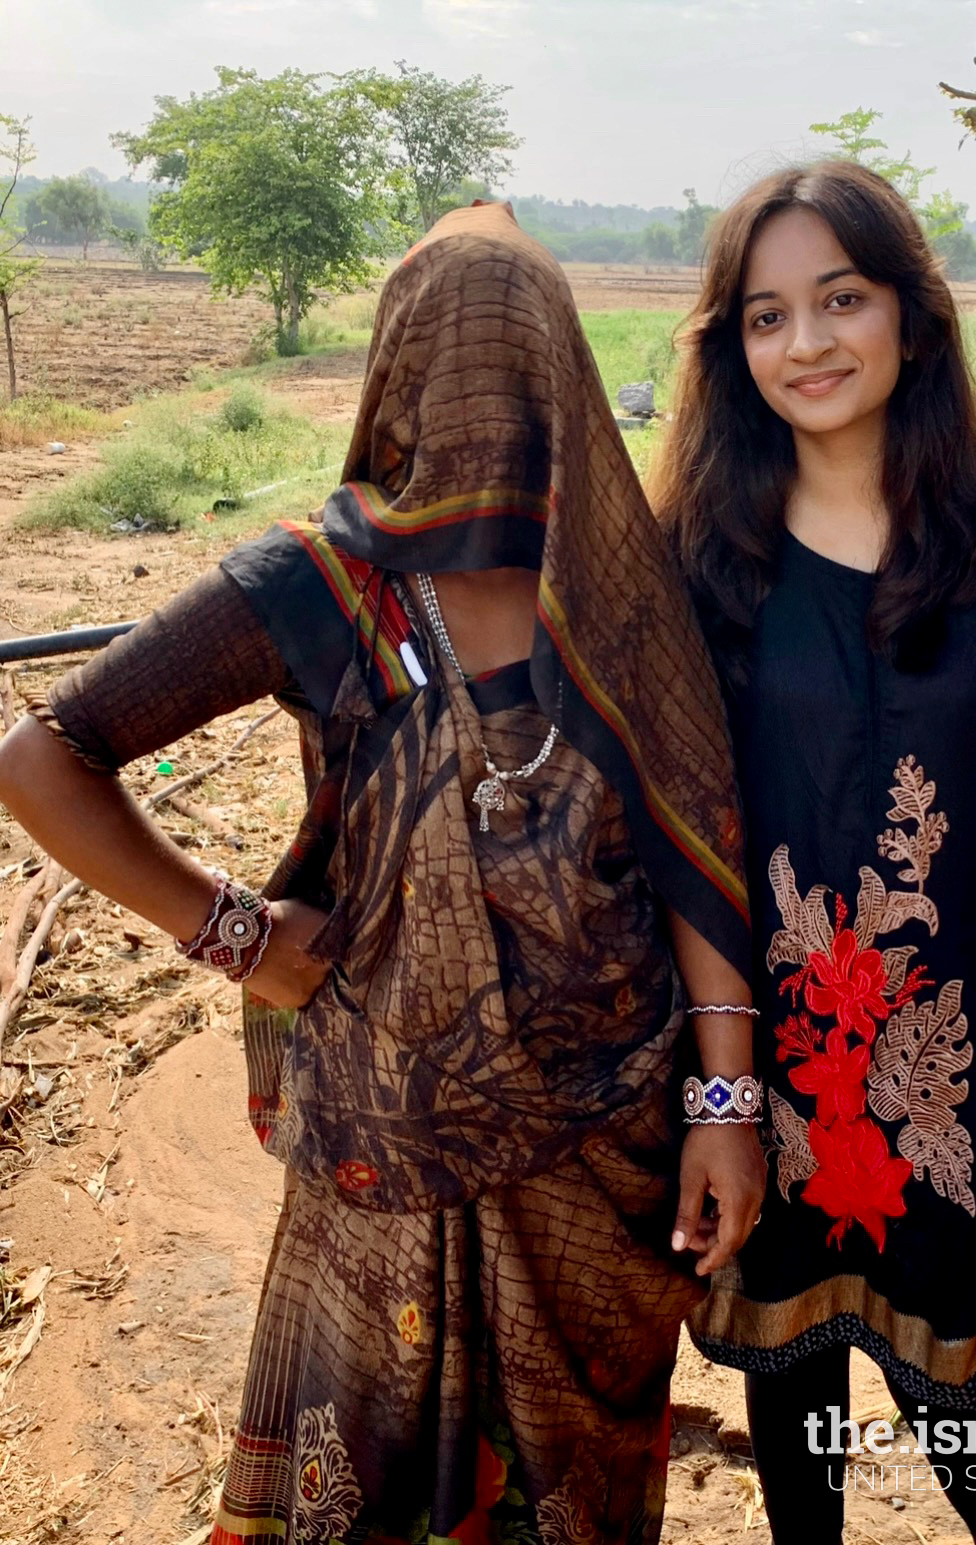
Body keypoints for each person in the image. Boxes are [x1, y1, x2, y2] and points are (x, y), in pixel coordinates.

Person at [0, 203, 766, 1545]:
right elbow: (43, 752)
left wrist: (723, 1095)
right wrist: (229, 926)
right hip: (382, 1147)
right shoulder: (320, 583)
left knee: (571, 1495)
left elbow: (697, 845)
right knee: (363, 1478)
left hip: (598, 1155)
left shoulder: (625, 586)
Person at [650, 162, 976, 1545]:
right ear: (733, 349)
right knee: (791, 1387)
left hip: (956, 1060)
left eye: (840, 299)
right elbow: (681, 831)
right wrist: (722, 1095)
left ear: (913, 321)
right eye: (765, 314)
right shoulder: (701, 551)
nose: (805, 343)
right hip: (766, 1061)